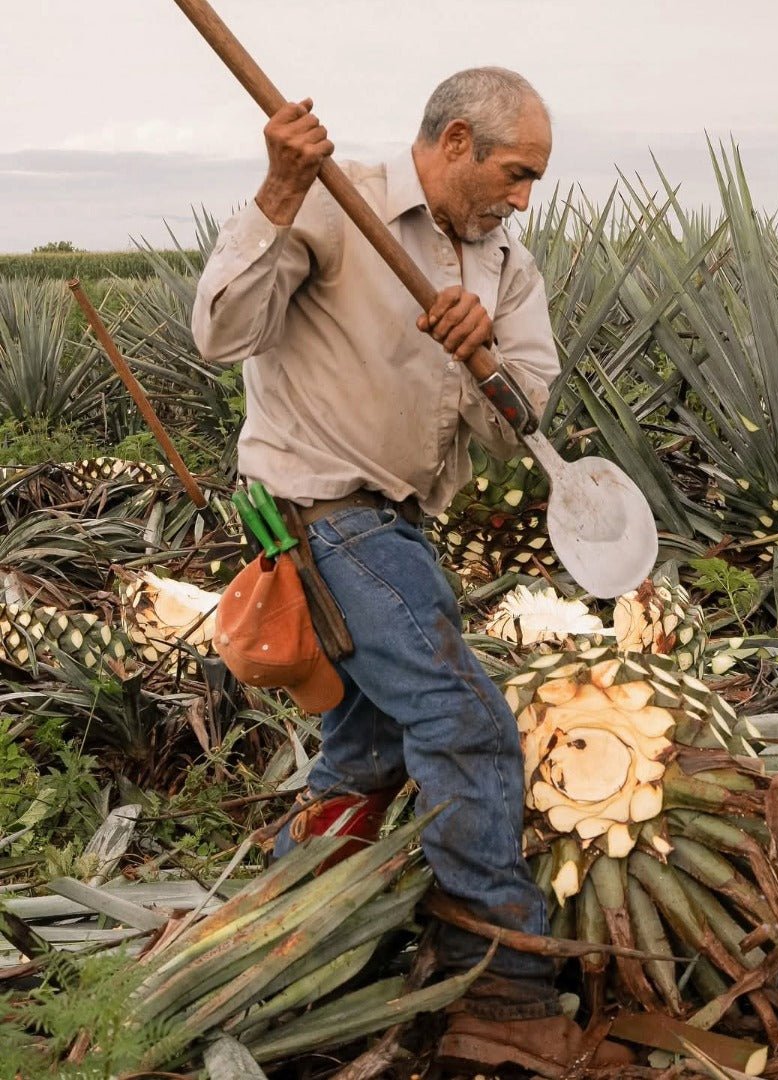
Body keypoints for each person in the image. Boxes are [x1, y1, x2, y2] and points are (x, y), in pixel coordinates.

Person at [192, 68, 633, 1075]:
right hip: (322, 514)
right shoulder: (330, 203)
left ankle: (270, 940)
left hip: (395, 524)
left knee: (370, 749)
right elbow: (220, 334)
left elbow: (523, 423)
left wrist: (489, 361)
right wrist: (278, 190)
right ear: (457, 141)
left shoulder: (506, 265)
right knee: (463, 723)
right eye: (517, 173)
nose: (525, 198)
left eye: (535, 179)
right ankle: (505, 994)